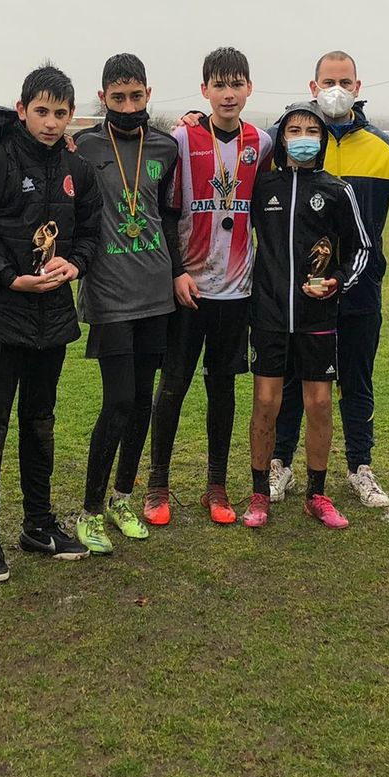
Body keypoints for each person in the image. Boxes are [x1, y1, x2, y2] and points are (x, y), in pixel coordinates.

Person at [0, 64, 104, 582]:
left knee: (40, 422)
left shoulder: (79, 172)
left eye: (61, 113)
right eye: (42, 111)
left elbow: (92, 237)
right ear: (21, 110)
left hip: (50, 318)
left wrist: (73, 265)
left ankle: (38, 524)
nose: (52, 122)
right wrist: (10, 278)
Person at [145, 47, 273, 527]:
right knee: (173, 385)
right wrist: (176, 271)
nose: (228, 93)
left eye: (236, 83)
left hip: (236, 292)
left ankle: (216, 485)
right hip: (188, 289)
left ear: (248, 88)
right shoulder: (182, 137)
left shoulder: (260, 142)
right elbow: (166, 211)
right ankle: (158, 484)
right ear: (204, 90)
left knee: (223, 388)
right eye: (218, 85)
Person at [268, 52, 389, 509]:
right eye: (328, 80)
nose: (336, 88)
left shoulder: (384, 147)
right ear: (313, 85)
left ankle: (360, 466)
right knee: (290, 381)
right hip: (298, 296)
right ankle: (280, 463)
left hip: (360, 289)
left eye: (344, 81)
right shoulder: (279, 142)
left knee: (356, 380)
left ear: (358, 86)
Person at [70, 54, 183, 555]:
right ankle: (90, 510)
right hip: (109, 294)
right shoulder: (85, 145)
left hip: (155, 293)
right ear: (103, 97)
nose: (128, 105)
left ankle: (121, 498)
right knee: (116, 402)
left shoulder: (165, 145)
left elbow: (171, 215)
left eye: (136, 96)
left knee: (142, 403)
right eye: (118, 97)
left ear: (148, 94)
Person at [243, 103, 371, 530]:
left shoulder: (337, 190)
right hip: (269, 312)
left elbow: (361, 249)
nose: (303, 136)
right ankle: (260, 492)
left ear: (321, 138)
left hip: (318, 315)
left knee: (318, 405)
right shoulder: (263, 186)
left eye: (312, 130)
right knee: (266, 402)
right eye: (294, 129)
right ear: (281, 137)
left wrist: (337, 281)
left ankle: (317, 494)